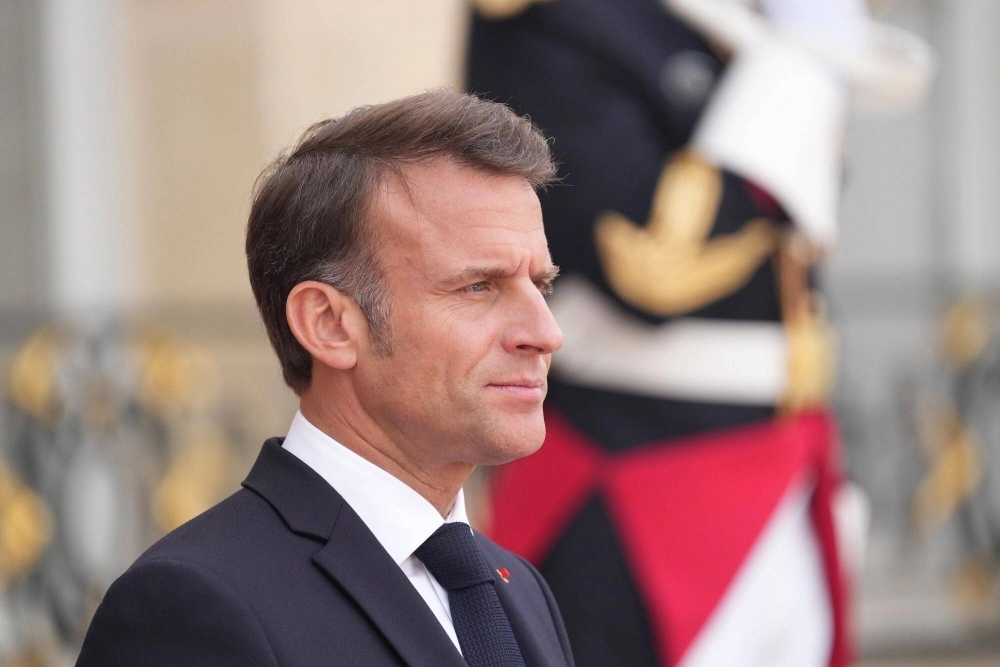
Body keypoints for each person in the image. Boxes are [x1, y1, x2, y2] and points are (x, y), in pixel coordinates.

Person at [467, 0, 931, 666]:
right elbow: (653, 261)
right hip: (636, 481)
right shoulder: (563, 18)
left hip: (783, 463)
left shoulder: (732, 19)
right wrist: (797, 69)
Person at [76, 91, 574, 667]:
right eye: (478, 287)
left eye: (540, 285)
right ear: (330, 324)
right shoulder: (190, 604)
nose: (545, 332)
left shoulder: (521, 591)